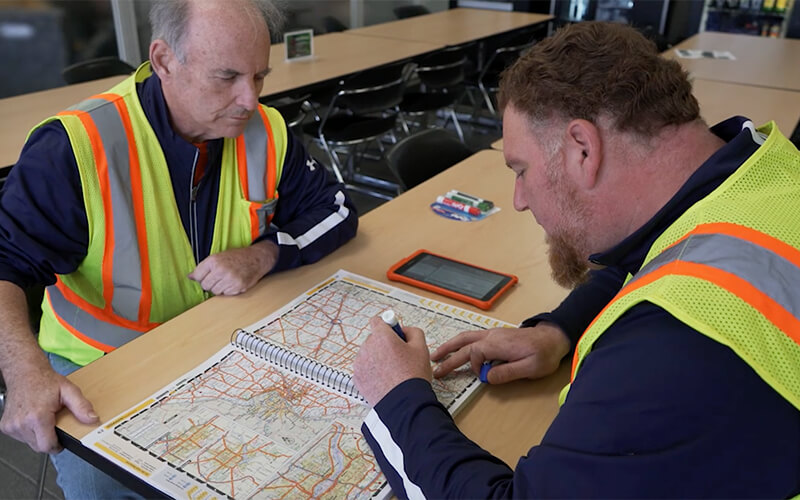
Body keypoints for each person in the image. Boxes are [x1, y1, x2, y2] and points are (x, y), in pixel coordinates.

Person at [353, 21, 800, 497]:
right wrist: (556, 331)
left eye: (521, 170)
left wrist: (397, 399)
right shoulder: (761, 168)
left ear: (583, 149)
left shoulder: (671, 348)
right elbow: (663, 254)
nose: (519, 199)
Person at [0, 0, 357, 497]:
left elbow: (336, 209)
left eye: (259, 76)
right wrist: (23, 371)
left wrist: (265, 253)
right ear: (164, 60)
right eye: (227, 76)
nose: (249, 100)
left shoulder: (265, 131)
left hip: (217, 345)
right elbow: (6, 263)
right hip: (100, 366)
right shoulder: (76, 147)